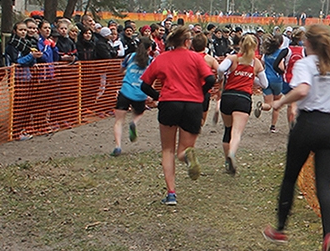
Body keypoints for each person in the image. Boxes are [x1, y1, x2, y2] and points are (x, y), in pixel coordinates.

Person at [263, 23, 330, 251]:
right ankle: (328, 237)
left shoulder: (305, 63)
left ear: (309, 44)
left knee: (290, 177)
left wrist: (280, 101)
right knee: (324, 186)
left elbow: (303, 89)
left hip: (308, 124)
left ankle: (280, 229)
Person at [139, 26, 216, 206]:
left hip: (169, 103)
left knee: (168, 150)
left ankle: (171, 193)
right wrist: (199, 92)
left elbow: (144, 85)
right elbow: (211, 79)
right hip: (193, 105)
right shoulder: (196, 58)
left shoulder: (162, 58)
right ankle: (186, 156)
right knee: (182, 150)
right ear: (188, 42)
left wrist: (160, 97)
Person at [216, 33, 268, 175]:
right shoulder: (256, 63)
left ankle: (227, 161)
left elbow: (220, 69)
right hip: (243, 98)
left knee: (228, 129)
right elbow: (265, 84)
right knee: (236, 132)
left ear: (240, 45)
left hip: (228, 96)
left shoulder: (233, 58)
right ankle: (232, 153)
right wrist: (252, 79)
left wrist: (222, 77)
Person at [112, 38, 153, 156]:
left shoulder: (130, 56)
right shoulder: (150, 61)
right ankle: (134, 122)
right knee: (140, 112)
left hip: (125, 90)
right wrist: (149, 94)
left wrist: (129, 72)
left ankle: (118, 146)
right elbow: (151, 79)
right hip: (140, 92)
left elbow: (121, 70)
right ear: (149, 49)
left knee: (118, 121)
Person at [260, 34, 287, 132]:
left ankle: (262, 106)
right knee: (276, 105)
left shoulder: (266, 53)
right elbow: (281, 67)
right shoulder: (281, 53)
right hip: (277, 80)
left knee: (268, 104)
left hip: (266, 79)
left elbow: (261, 65)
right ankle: (273, 126)